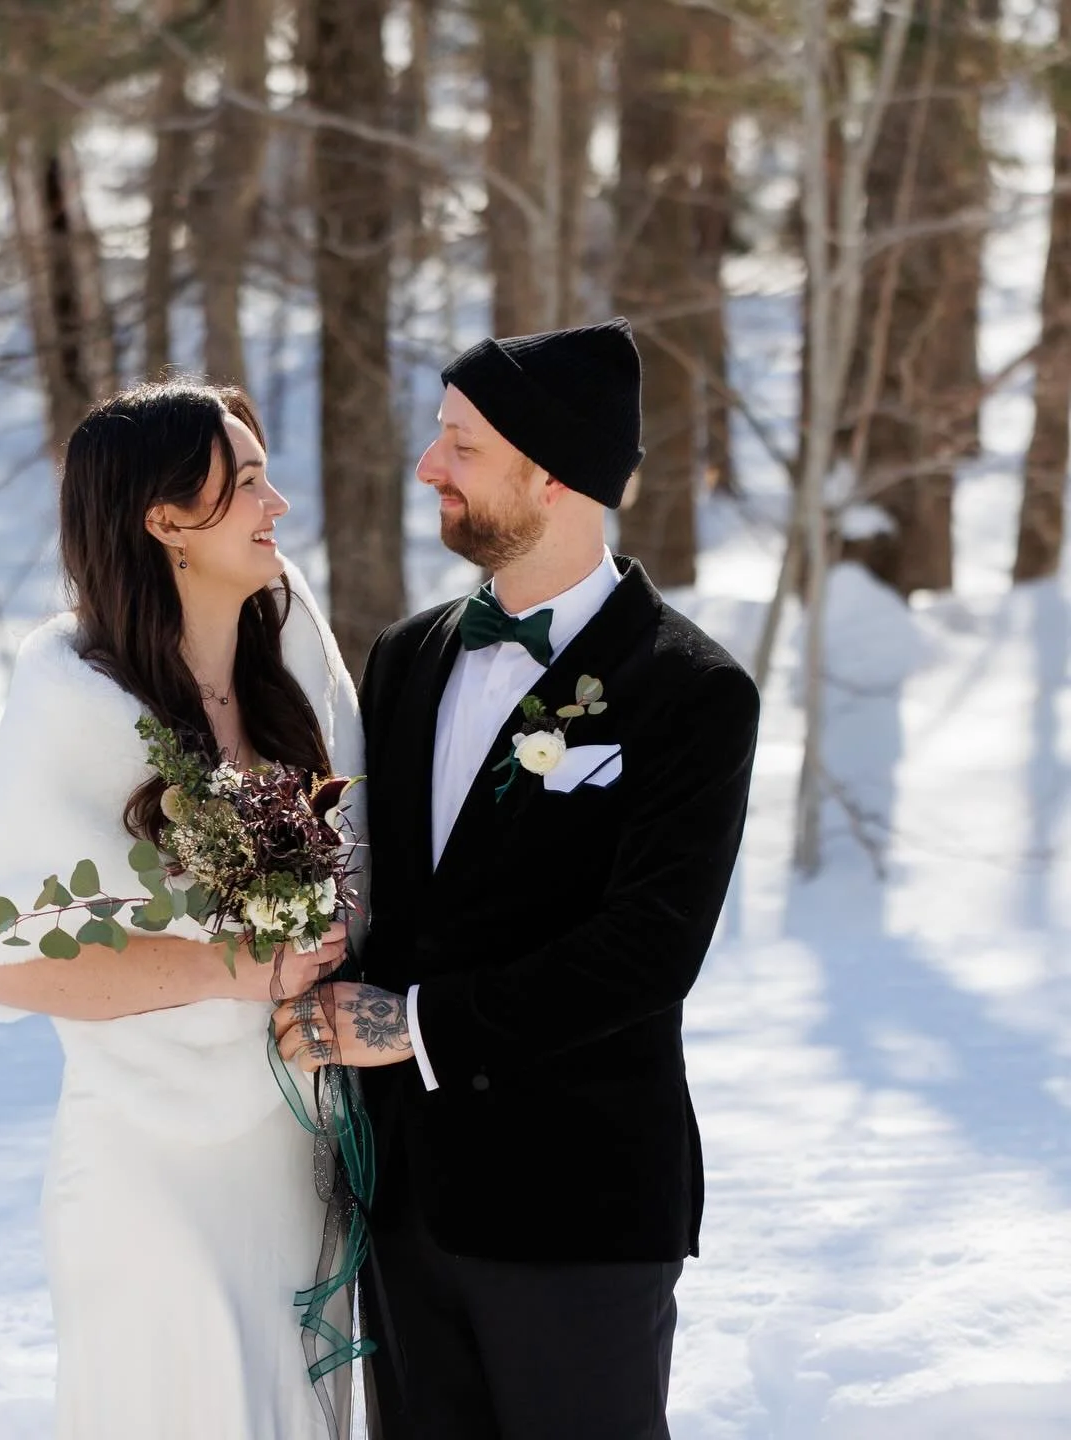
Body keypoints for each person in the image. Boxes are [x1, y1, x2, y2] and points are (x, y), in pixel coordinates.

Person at [275, 319, 760, 1439]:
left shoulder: (690, 691)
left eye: (460, 444)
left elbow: (650, 952)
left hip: (578, 1208)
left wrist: (413, 1025)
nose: (427, 467)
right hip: (406, 1208)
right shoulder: (409, 656)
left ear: (552, 476)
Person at [0, 379, 362, 1439]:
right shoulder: (75, 697)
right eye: (248, 481)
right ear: (167, 520)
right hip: (153, 1166)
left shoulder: (291, 650)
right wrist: (228, 970)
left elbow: (369, 849)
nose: (278, 506)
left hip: (301, 1151)